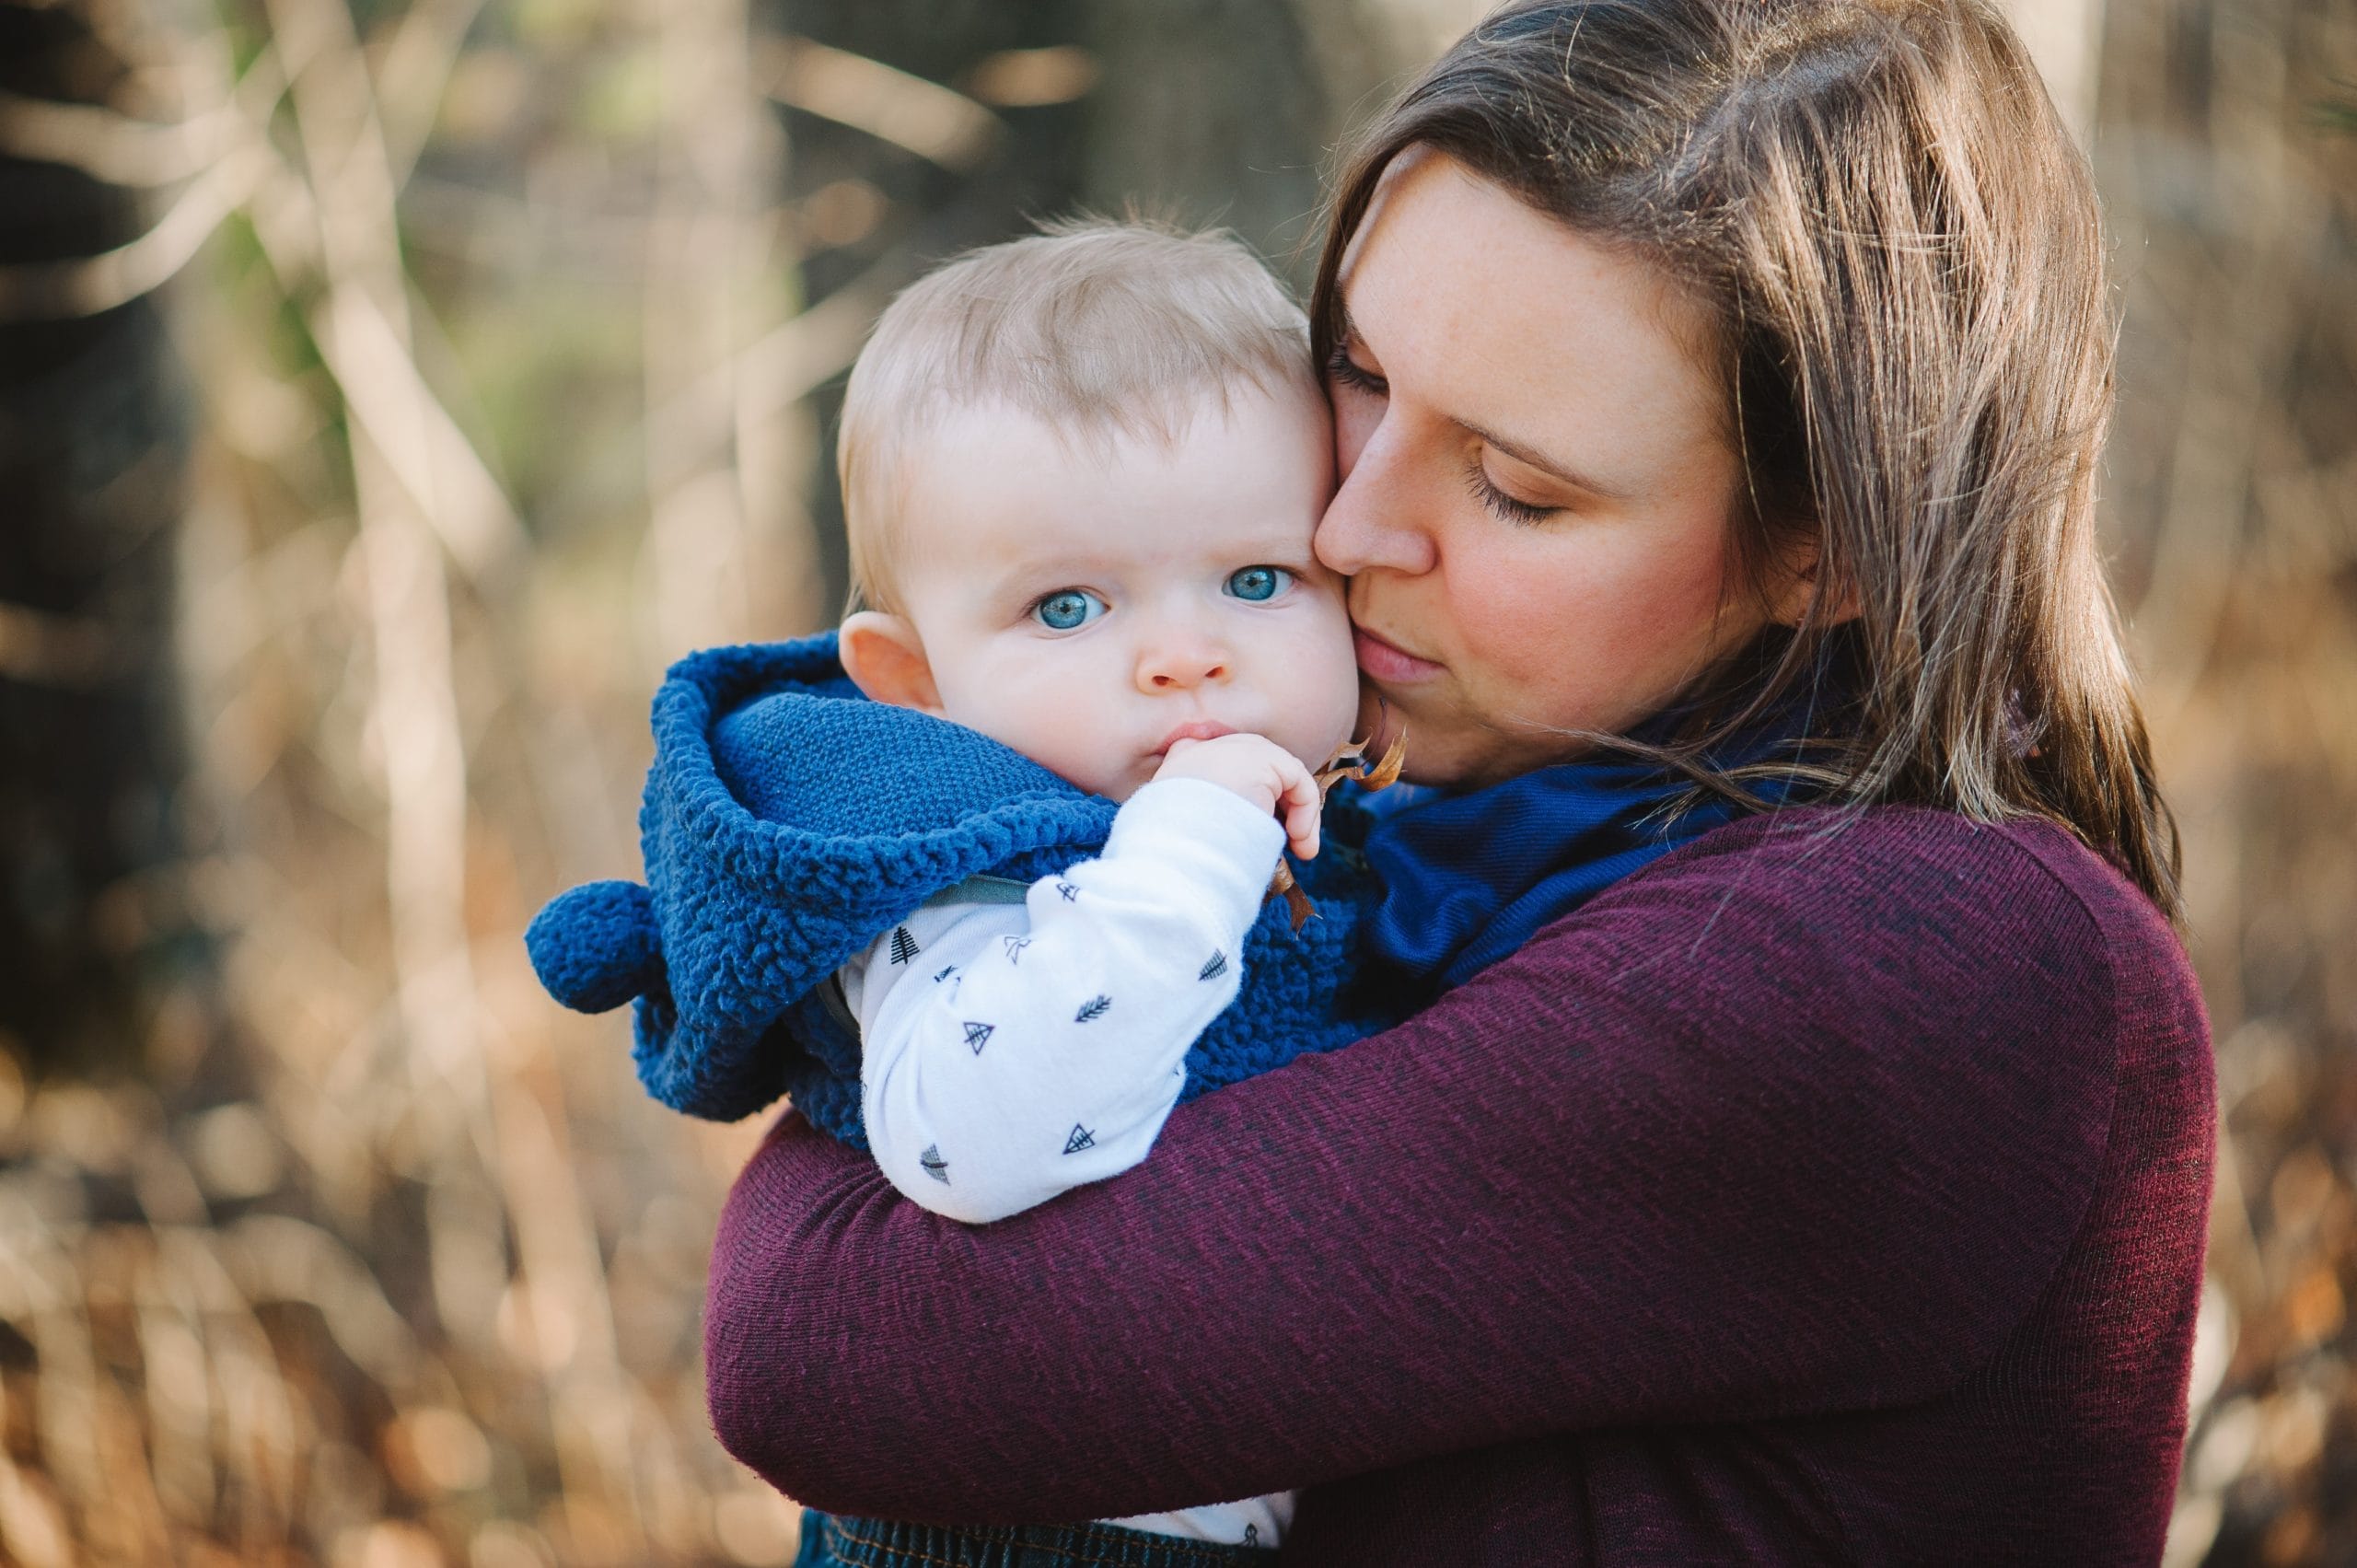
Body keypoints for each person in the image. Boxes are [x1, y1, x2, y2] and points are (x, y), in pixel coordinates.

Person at [699, 2, 2215, 1564]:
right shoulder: (1443, 832)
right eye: (1355, 375)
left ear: (1822, 548)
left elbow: (847, 1340)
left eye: (1514, 489)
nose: (1346, 528)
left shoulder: (1922, 956)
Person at [528, 221, 1417, 1561]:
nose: (1185, 657)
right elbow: (969, 1143)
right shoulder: (959, 870)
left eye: (1254, 580)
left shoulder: (1339, 824)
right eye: (1068, 608)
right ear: (916, 683)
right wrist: (1189, 844)